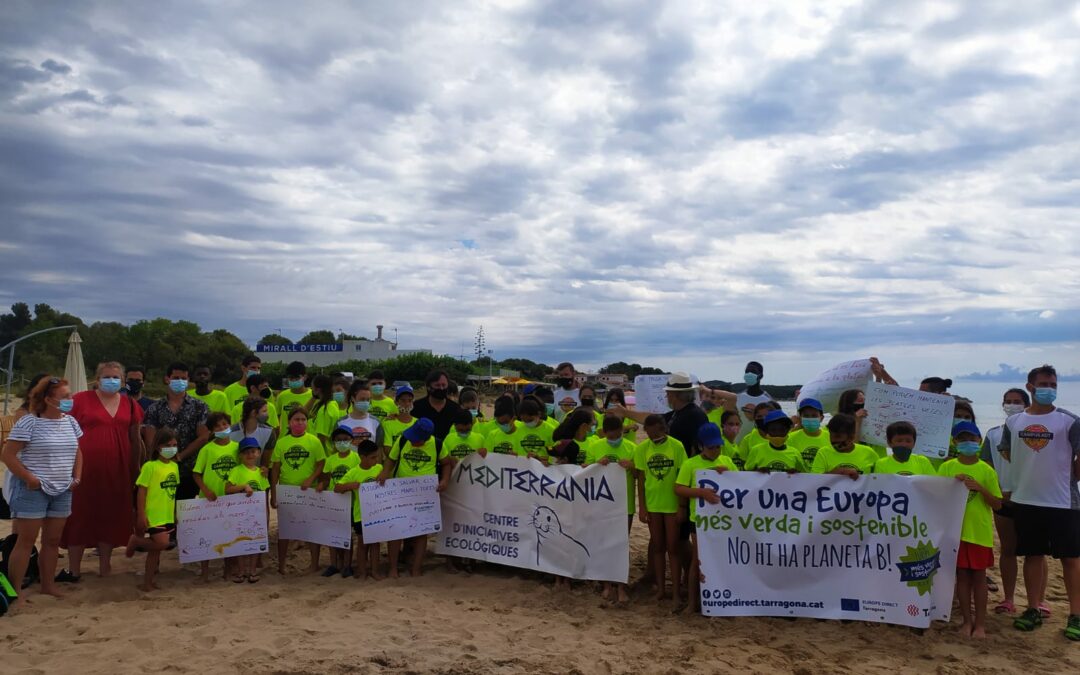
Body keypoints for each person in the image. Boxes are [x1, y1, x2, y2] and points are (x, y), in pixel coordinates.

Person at [998, 364, 1080, 640]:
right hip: (1026, 500)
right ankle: (1033, 608)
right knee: (1033, 556)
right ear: (1030, 387)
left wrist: (1065, 474)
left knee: (1070, 559)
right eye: (1044, 384)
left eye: (1054, 385)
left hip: (1062, 502)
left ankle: (1076, 615)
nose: (1050, 389)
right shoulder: (1014, 421)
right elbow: (1007, 452)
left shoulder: (1069, 421)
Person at [59, 362, 144, 582]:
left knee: (110, 515)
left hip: (118, 469)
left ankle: (105, 566)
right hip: (83, 469)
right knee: (79, 515)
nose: (111, 380)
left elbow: (135, 440)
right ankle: (74, 569)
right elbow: (64, 430)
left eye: (116, 377)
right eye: (107, 376)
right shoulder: (79, 400)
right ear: (97, 379)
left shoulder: (130, 405)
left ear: (123, 381)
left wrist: (137, 469)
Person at [1, 376, 82, 604]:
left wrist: (77, 475)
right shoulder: (29, 422)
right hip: (33, 489)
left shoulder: (71, 422)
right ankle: (16, 590)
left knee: (52, 540)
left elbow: (77, 451)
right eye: (65, 396)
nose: (70, 400)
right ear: (48, 399)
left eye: (70, 395)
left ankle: (48, 585)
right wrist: (29, 477)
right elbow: (8, 455)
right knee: (26, 540)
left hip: (62, 488)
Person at [982, 387, 1045, 616]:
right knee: (1008, 550)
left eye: (1017, 401)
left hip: (1032, 499)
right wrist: (995, 491)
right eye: (1007, 401)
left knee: (1035, 552)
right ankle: (1008, 599)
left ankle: (1038, 600)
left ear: (1027, 404)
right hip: (1004, 499)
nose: (1012, 405)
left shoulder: (1036, 432)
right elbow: (986, 468)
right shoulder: (993, 434)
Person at [938, 421, 1002, 638]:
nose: (968, 443)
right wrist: (951, 485)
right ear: (955, 442)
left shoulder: (986, 470)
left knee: (979, 578)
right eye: (962, 439)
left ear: (979, 440)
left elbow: (997, 504)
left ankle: (981, 624)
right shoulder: (947, 467)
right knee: (962, 577)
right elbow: (936, 497)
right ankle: (966, 621)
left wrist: (980, 488)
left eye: (972, 439)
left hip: (979, 533)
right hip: (955, 533)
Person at [674, 422, 737, 613]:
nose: (716, 451)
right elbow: (678, 488)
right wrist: (701, 492)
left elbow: (741, 484)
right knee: (698, 560)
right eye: (711, 447)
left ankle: (721, 598)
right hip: (699, 521)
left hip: (724, 521)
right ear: (701, 445)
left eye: (718, 446)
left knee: (721, 558)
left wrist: (727, 474)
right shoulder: (691, 464)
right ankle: (693, 602)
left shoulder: (726, 461)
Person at [379, 418, 451, 577]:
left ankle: (416, 568)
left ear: (425, 438)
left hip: (424, 495)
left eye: (415, 440)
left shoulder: (437, 444)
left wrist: (445, 480)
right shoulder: (403, 439)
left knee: (420, 531)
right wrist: (385, 472)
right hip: (400, 491)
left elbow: (446, 463)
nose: (412, 441)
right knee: (396, 530)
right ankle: (392, 568)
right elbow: (391, 459)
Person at [634, 414, 687, 604]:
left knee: (673, 548)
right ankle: (661, 589)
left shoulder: (676, 446)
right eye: (648, 432)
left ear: (662, 428)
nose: (650, 435)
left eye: (653, 431)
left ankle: (675, 592)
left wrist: (682, 506)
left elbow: (682, 476)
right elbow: (641, 479)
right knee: (657, 546)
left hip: (672, 504)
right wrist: (642, 507)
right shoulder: (642, 449)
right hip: (653, 503)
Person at [584, 415, 637, 603]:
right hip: (602, 504)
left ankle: (621, 586)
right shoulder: (595, 446)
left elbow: (641, 474)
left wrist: (632, 466)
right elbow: (584, 471)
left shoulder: (632, 448)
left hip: (625, 504)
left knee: (622, 544)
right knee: (604, 543)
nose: (616, 438)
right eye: (612, 435)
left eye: (619, 434)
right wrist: (596, 465)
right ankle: (606, 584)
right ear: (605, 433)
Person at [270, 408, 326, 575]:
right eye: (296, 419)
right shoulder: (282, 442)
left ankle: (314, 564)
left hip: (309, 492)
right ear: (289, 423)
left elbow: (321, 463)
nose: (300, 422)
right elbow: (275, 469)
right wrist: (274, 493)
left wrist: (311, 479)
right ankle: (281, 565)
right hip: (287, 491)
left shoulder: (314, 441)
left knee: (312, 529)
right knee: (285, 531)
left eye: (303, 419)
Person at [143, 363, 209, 502]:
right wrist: (163, 458)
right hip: (162, 470)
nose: (180, 381)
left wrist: (180, 456)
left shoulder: (200, 407)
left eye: (183, 378)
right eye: (176, 377)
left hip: (189, 471)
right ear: (167, 379)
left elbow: (203, 437)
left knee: (186, 516)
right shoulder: (154, 408)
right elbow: (150, 440)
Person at [125, 427, 180, 592]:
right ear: (158, 447)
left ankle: (147, 582)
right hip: (153, 513)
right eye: (168, 445)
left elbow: (173, 493)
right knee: (162, 544)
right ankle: (136, 541)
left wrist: (175, 512)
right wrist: (141, 514)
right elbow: (141, 492)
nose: (172, 448)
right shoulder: (150, 466)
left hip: (167, 514)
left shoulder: (174, 466)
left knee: (155, 552)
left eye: (175, 444)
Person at [192, 412, 239, 580]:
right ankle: (205, 572)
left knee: (230, 536)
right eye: (217, 426)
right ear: (211, 430)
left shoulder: (237, 447)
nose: (222, 428)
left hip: (231, 500)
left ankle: (228, 571)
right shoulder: (207, 449)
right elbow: (196, 473)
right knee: (207, 535)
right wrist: (205, 490)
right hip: (209, 499)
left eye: (225, 424)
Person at [618, 372, 709, 457]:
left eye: (668, 393)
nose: (666, 397)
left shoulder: (695, 416)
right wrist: (625, 412)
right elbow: (652, 419)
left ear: (675, 395)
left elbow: (701, 448)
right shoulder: (678, 413)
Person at [335, 439, 384, 581]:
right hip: (360, 515)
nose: (376, 460)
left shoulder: (379, 469)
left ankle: (375, 571)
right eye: (373, 457)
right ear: (362, 457)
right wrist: (350, 485)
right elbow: (337, 488)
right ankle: (362, 571)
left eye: (377, 456)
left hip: (378, 513)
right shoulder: (353, 472)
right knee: (362, 544)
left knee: (375, 544)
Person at [224, 437, 271, 583]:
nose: (250, 455)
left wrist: (266, 513)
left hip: (257, 513)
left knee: (255, 541)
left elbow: (264, 492)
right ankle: (241, 571)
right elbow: (228, 489)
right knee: (240, 541)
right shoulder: (237, 470)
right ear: (240, 455)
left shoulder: (261, 473)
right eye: (246, 453)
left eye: (253, 451)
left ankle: (252, 571)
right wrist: (243, 486)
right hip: (239, 513)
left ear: (258, 453)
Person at [321, 426, 360, 578]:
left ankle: (347, 565)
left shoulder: (356, 458)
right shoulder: (330, 460)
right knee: (333, 534)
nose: (342, 442)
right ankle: (334, 564)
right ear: (333, 442)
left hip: (351, 502)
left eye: (345, 439)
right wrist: (320, 486)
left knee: (347, 535)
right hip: (334, 501)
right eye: (338, 440)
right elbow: (325, 479)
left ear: (351, 440)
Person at [811, 413, 879, 477]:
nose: (832, 440)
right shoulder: (823, 453)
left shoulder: (869, 453)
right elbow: (814, 481)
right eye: (831, 435)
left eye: (838, 436)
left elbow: (880, 479)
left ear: (851, 437)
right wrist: (837, 472)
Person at [410, 369, 462, 450]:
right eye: (437, 385)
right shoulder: (416, 407)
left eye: (444, 385)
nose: (441, 388)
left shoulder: (456, 409)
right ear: (428, 387)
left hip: (448, 453)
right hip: (424, 452)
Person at [337, 381, 386, 452]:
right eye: (362, 399)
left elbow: (379, 450)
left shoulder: (376, 422)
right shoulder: (340, 423)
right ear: (352, 398)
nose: (366, 402)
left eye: (368, 399)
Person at [228, 396, 278, 464]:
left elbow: (265, 463)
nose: (267, 414)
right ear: (254, 413)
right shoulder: (230, 433)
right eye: (264, 411)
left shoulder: (269, 432)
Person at [786, 398, 831, 468]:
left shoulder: (831, 438)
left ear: (821, 418)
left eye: (814, 415)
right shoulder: (790, 438)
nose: (810, 418)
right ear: (800, 418)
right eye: (806, 416)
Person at [735, 361, 772, 442]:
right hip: (738, 444)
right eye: (747, 372)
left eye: (753, 372)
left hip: (760, 445)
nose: (749, 374)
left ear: (761, 376)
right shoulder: (738, 398)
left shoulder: (768, 400)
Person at [275, 361, 311, 436]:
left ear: (305, 377)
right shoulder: (282, 396)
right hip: (285, 440)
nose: (294, 380)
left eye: (297, 377)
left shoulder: (314, 396)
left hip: (308, 441)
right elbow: (276, 421)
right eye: (291, 378)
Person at [306, 375, 341, 451]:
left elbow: (321, 438)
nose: (311, 390)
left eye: (312, 387)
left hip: (323, 454)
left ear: (317, 390)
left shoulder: (325, 409)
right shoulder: (331, 404)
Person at [517, 398, 553, 462]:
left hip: (542, 469)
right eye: (524, 421)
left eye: (530, 420)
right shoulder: (517, 429)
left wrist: (541, 458)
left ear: (539, 414)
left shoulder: (551, 430)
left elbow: (557, 457)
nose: (527, 423)